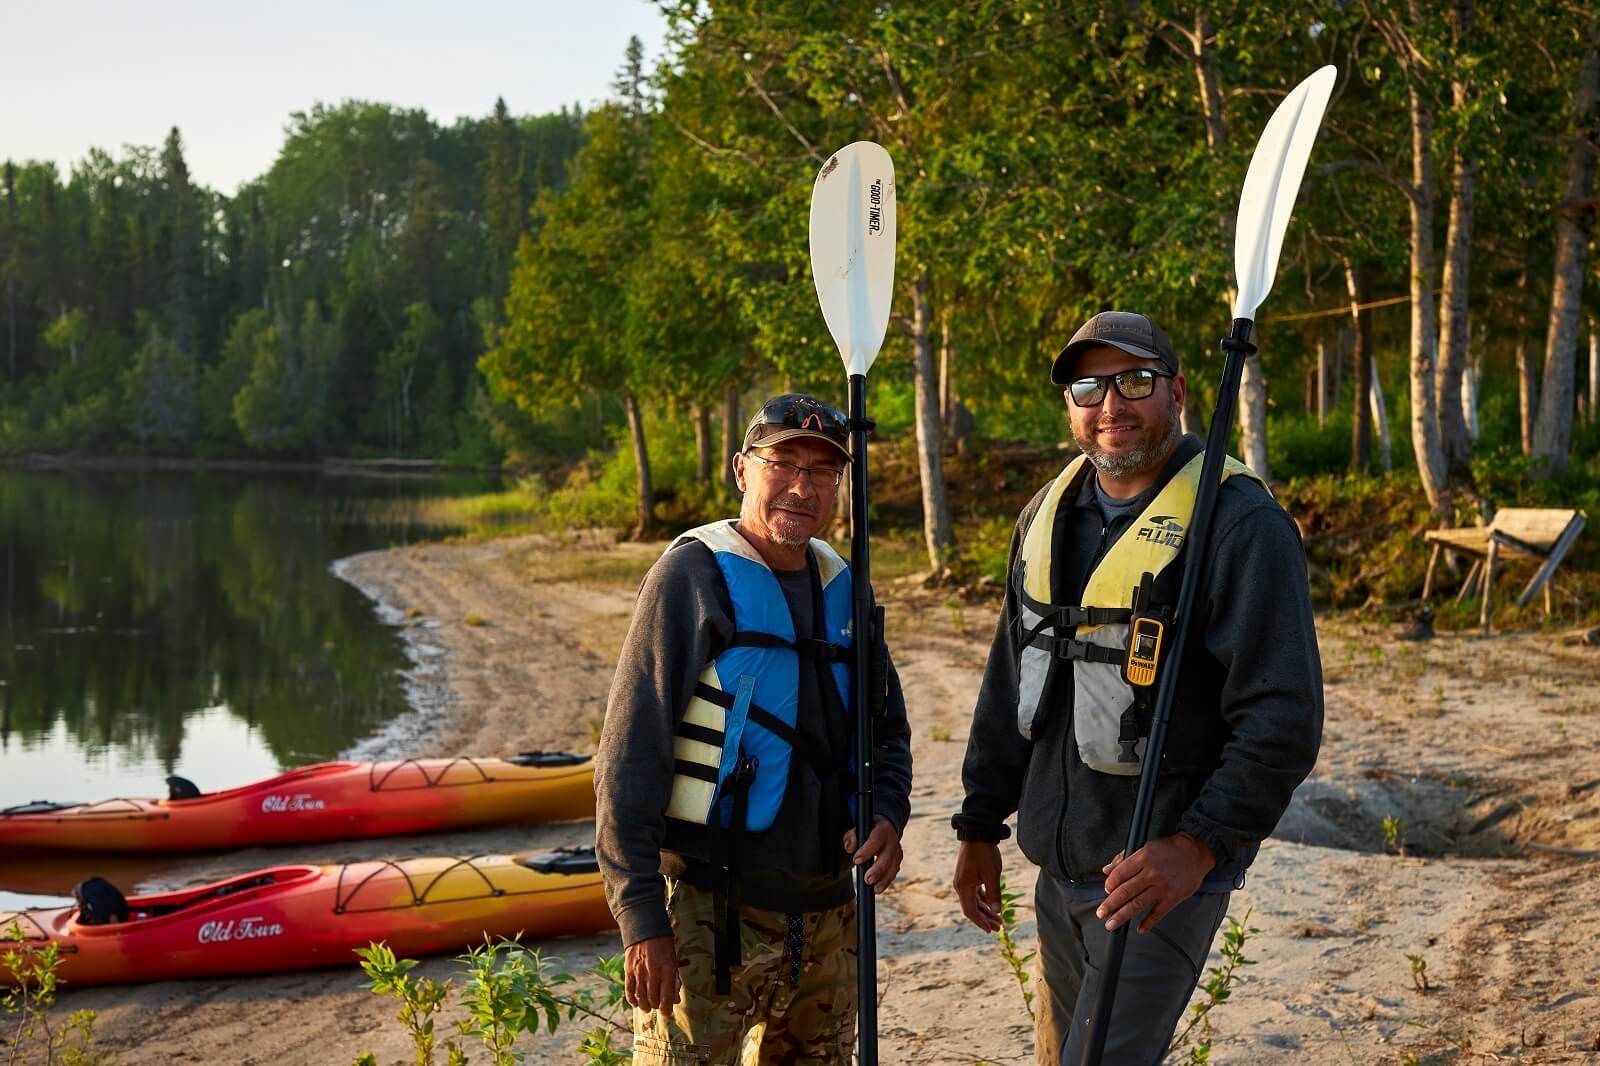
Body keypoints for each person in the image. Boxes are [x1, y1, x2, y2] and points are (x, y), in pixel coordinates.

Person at [950, 311, 1323, 1065]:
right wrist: (979, 823)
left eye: (1135, 381)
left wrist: (1197, 847)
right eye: (1089, 386)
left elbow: (1282, 719)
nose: (1110, 405)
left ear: (1178, 390)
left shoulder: (1240, 524)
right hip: (1059, 870)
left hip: (1156, 879)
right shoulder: (1050, 515)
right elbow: (1008, 677)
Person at [596, 393, 914, 1066]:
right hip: (707, 916)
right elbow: (631, 755)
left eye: (824, 470)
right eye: (784, 463)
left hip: (828, 920)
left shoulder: (846, 587)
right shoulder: (692, 576)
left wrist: (887, 811)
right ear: (743, 469)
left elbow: (887, 730)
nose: (803, 485)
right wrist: (641, 918)